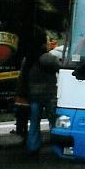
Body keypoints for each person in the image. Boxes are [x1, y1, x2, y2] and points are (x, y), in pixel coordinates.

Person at [20, 29, 60, 157]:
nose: (49, 42)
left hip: (33, 95)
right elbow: (59, 65)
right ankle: (56, 146)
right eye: (47, 40)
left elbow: (22, 77)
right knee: (53, 122)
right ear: (43, 43)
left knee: (34, 123)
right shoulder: (47, 58)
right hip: (48, 95)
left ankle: (33, 147)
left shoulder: (28, 59)